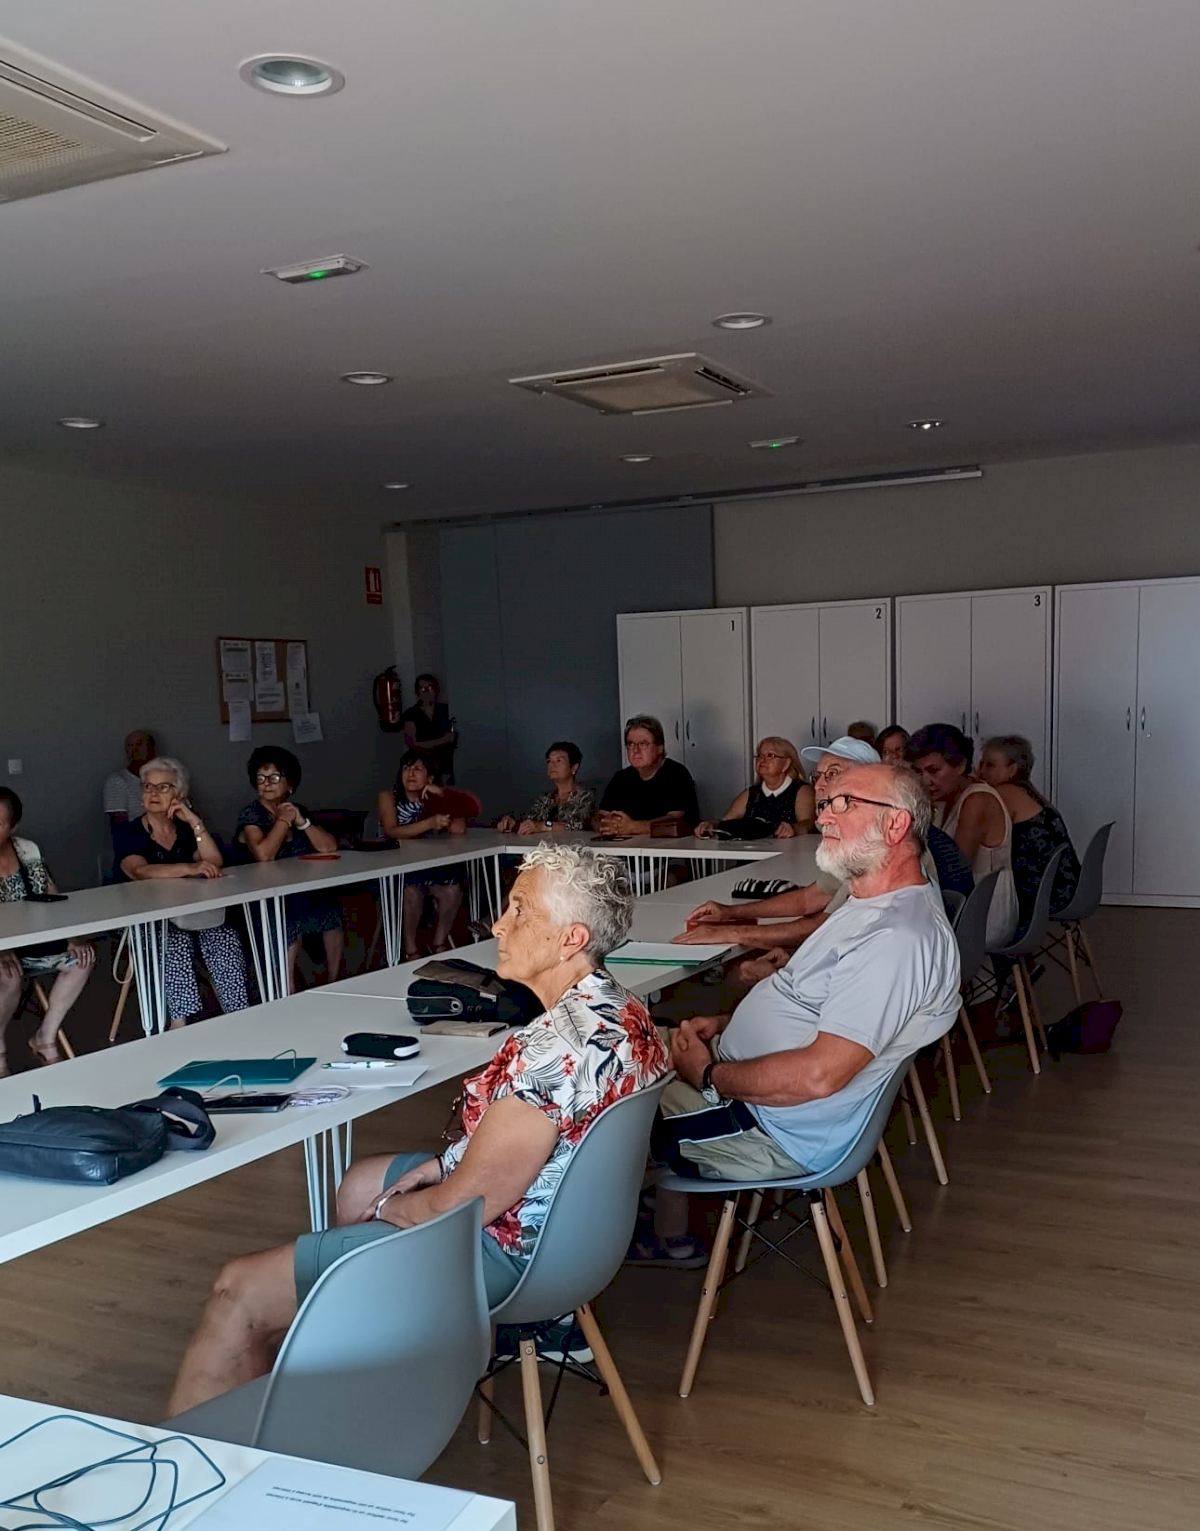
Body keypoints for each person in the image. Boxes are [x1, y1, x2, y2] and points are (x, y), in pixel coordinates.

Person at [167, 844, 670, 1414]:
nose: (499, 924)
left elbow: (464, 1206)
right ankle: (358, 1356)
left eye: (520, 910)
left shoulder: (553, 1050)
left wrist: (390, 1210)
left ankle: (253, 1437)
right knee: (360, 1180)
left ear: (570, 939)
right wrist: (437, 1166)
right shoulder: (623, 1011)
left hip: (511, 1253)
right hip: (576, 1237)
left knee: (237, 1290)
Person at [632, 763, 959, 1262]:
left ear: (896, 825)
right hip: (744, 1089)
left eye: (845, 804)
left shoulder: (897, 939)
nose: (825, 816)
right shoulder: (868, 903)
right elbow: (815, 1006)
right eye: (826, 804)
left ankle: (580, 1265)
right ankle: (655, 1224)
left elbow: (819, 1075)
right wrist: (724, 1027)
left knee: (590, 1108)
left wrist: (708, 1074)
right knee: (613, 1044)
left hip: (762, 1126)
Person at [675, 737, 880, 955]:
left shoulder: (871, 847)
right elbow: (808, 898)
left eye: (832, 774)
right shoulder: (847, 842)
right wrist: (729, 912)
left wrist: (730, 932)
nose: (819, 785)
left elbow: (818, 927)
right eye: (818, 775)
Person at [114, 757, 249, 1029]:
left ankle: (239, 1017)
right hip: (147, 919)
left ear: (180, 793)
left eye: (163, 787)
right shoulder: (129, 832)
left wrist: (194, 821)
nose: (153, 793)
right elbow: (140, 871)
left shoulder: (186, 830)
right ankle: (179, 1024)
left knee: (224, 936)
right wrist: (190, 867)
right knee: (175, 943)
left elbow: (214, 861)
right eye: (148, 786)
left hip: (192, 915)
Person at [0, 786, 94, 1072]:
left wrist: (72, 937)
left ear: (13, 826)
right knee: (8, 976)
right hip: (3, 948)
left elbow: (51, 896)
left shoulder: (27, 850)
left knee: (82, 959)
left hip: (32, 940)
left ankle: (45, 1036)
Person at [235, 747, 343, 990]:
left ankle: (335, 982)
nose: (266, 783)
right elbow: (264, 855)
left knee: (330, 909)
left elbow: (328, 847)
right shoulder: (251, 814)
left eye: (274, 777)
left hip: (298, 889)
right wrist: (283, 820)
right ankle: (287, 989)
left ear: (290, 784)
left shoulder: (297, 809)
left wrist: (301, 822)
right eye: (261, 778)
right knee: (289, 918)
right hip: (263, 895)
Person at [908, 723, 1018, 945]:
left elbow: (955, 873)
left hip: (986, 913)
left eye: (933, 770)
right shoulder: (945, 798)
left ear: (960, 765)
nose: (925, 781)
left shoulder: (977, 800)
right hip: (965, 902)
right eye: (919, 772)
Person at [977, 735, 1079, 928]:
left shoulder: (1005, 793)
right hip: (1067, 885)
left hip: (1045, 893)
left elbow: (979, 834)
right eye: (981, 763)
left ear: (1012, 769)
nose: (981, 771)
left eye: (990, 765)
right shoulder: (1029, 791)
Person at [377, 749, 468, 958]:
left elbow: (459, 828)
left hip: (429, 865)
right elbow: (392, 831)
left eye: (417, 769)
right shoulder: (388, 796)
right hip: (396, 868)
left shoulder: (434, 798)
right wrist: (429, 823)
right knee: (411, 892)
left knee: (453, 889)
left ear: (430, 778)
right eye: (406, 768)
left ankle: (438, 944)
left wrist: (442, 796)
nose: (410, 773)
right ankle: (411, 950)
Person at [595, 715, 700, 836]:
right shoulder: (621, 778)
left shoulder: (677, 774)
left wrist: (635, 827)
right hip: (627, 845)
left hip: (668, 845)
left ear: (660, 748)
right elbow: (600, 815)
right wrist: (606, 825)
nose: (635, 750)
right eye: (630, 744)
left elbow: (676, 821)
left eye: (643, 744)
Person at [694, 737, 814, 839]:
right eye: (759, 755)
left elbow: (808, 823)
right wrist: (711, 825)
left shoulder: (802, 791)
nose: (762, 760)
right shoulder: (751, 793)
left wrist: (793, 829)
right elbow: (725, 822)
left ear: (786, 763)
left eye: (770, 755)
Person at [497, 742, 596, 836]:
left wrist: (544, 826)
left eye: (558, 761)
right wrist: (513, 824)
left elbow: (580, 825)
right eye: (549, 761)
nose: (552, 765)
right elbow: (530, 821)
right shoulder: (545, 799)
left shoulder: (586, 797)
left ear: (574, 767)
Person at [401, 673, 457, 783]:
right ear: (417, 693)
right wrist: (444, 740)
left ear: (436, 690)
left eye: (430, 688)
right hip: (424, 766)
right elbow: (413, 744)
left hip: (449, 765)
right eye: (422, 689)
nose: (426, 692)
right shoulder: (410, 714)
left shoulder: (446, 709)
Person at [103, 729, 157, 835]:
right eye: (130, 745)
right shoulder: (117, 781)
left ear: (151, 749)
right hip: (138, 841)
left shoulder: (167, 778)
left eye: (139, 744)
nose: (134, 749)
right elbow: (120, 828)